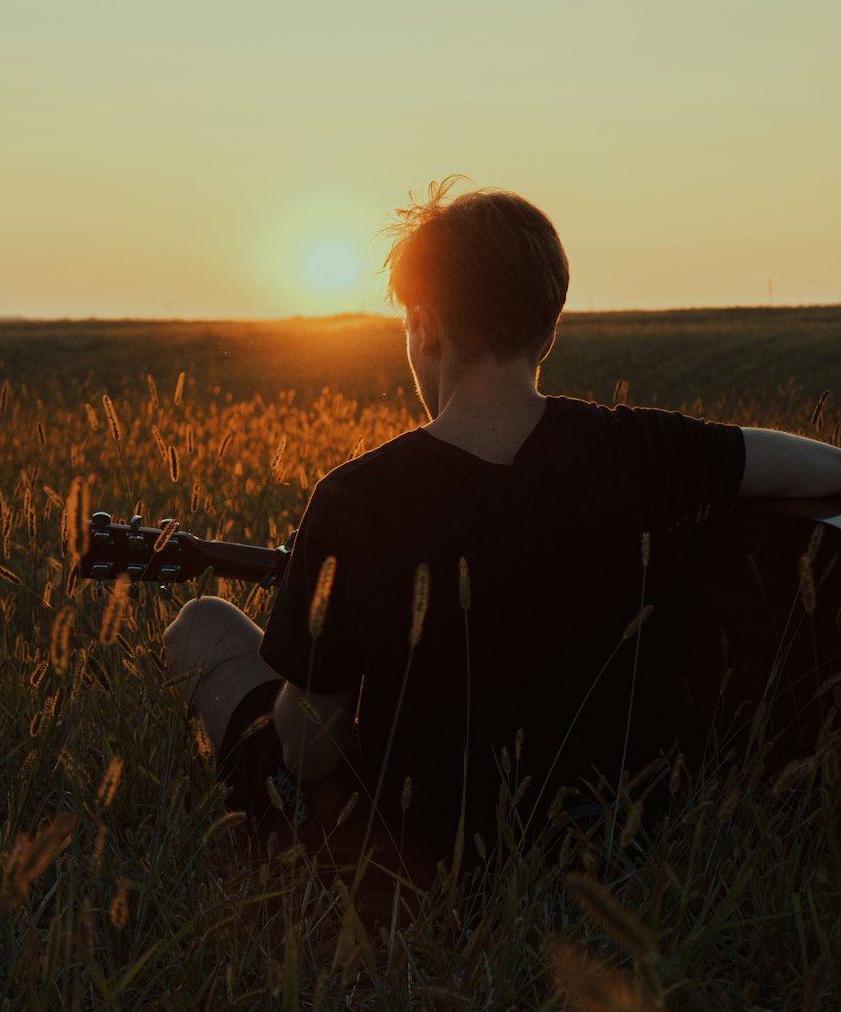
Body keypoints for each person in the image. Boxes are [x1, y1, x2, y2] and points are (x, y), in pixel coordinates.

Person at [164, 178, 841, 889]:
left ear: (424, 324)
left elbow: (312, 751)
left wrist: (315, 664)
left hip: (411, 853)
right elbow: (821, 471)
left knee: (204, 626)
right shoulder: (646, 450)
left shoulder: (352, 498)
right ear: (547, 327)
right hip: (615, 836)